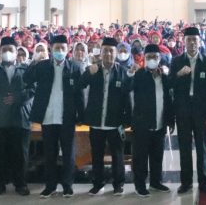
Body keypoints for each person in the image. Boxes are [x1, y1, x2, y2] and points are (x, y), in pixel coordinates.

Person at [24, 35, 84, 198]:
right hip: (48, 116)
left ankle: (67, 185)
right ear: (51, 49)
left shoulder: (75, 67)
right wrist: (34, 62)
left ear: (68, 49)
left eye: (63, 48)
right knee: (49, 153)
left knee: (68, 153)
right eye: (57, 48)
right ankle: (50, 186)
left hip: (67, 116)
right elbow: (26, 79)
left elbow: (79, 94)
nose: (60, 51)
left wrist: (81, 115)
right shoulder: (42, 66)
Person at [79, 37, 131, 196]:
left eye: (111, 51)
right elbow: (80, 84)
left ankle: (118, 184)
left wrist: (127, 120)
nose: (108, 54)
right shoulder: (93, 69)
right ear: (100, 53)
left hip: (115, 122)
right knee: (97, 155)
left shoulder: (123, 72)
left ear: (116, 53)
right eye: (105, 50)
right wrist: (88, 73)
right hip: (96, 121)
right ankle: (98, 184)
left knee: (117, 155)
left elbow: (128, 97)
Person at [169, 27, 206, 194]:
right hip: (182, 110)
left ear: (199, 42)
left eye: (194, 40)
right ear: (184, 42)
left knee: (201, 146)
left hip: (201, 110)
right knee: (184, 146)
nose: (192, 43)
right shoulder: (176, 61)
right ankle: (186, 182)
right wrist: (178, 75)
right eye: (188, 40)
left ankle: (204, 181)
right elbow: (169, 84)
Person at [128, 44, 174, 197]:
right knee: (140, 157)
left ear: (159, 58)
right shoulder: (139, 75)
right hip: (142, 124)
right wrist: (130, 73)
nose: (152, 59)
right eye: (149, 57)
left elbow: (168, 99)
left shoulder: (164, 77)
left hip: (159, 123)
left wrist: (170, 120)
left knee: (157, 155)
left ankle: (156, 181)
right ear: (145, 59)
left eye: (155, 57)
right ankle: (140, 185)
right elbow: (127, 88)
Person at [0, 37, 34, 197]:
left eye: (11, 50)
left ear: (16, 52)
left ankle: (21, 184)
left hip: (20, 118)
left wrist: (17, 97)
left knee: (20, 154)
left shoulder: (25, 69)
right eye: (4, 50)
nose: (7, 52)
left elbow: (33, 89)